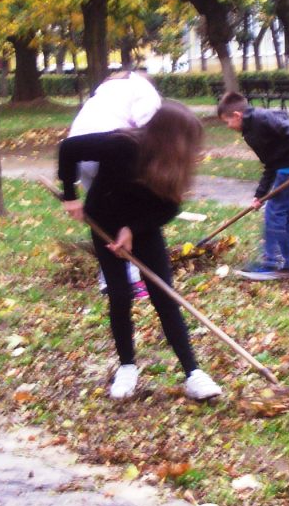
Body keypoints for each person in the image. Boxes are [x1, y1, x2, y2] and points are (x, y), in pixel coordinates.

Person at [57, 101, 223, 401]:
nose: (191, 148)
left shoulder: (174, 162)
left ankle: (193, 374)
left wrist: (132, 229)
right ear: (169, 136)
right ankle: (127, 367)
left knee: (165, 296)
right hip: (103, 223)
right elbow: (69, 149)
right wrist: (70, 196)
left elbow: (169, 207)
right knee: (120, 294)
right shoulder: (120, 145)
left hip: (144, 227)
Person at [69, 70, 162, 299]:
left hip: (80, 150)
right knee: (128, 215)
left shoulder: (105, 91)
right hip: (110, 150)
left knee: (103, 216)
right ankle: (131, 279)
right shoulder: (147, 93)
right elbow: (149, 134)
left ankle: (109, 280)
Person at [217, 91, 289, 281]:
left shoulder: (263, 118)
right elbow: (270, 164)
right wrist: (259, 196)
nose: (228, 126)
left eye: (227, 122)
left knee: (275, 214)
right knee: (285, 216)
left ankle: (272, 264)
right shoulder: (250, 132)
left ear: (237, 115)